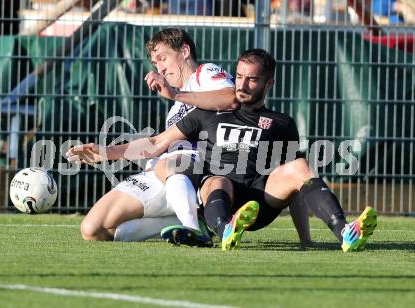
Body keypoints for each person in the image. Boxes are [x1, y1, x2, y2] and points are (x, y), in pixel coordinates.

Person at [67, 48, 376, 252]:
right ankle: (224, 230)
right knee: (217, 178)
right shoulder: (208, 112)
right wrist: (106, 152)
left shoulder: (281, 122)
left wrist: (305, 239)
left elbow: (298, 186)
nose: (243, 84)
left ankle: (345, 232)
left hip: (260, 199)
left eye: (252, 79)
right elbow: (158, 143)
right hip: (221, 197)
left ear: (269, 84)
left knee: (299, 166)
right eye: (239, 76)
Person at [71, 27, 237, 242]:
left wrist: (176, 93)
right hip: (160, 175)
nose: (160, 67)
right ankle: (191, 219)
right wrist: (105, 153)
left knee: (168, 164)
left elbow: (230, 97)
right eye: (155, 63)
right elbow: (157, 143)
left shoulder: (204, 73)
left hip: (194, 169)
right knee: (91, 229)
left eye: (163, 58)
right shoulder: (177, 105)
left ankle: (192, 229)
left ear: (184, 51)